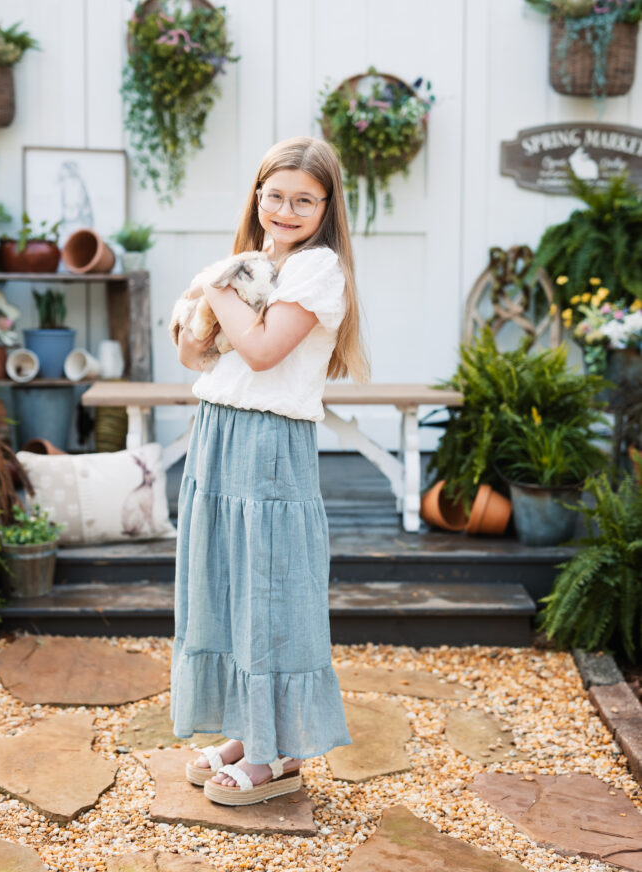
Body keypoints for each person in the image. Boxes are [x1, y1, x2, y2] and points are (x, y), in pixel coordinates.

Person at [170, 136, 371, 807]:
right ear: (257, 195)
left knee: (269, 592)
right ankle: (246, 729)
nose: (285, 209)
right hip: (219, 434)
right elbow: (196, 354)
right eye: (275, 195)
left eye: (303, 200)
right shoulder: (255, 264)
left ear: (326, 206)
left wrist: (213, 282)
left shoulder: (317, 271)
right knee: (224, 585)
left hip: (268, 441)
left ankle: (276, 754)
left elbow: (257, 351)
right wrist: (212, 297)